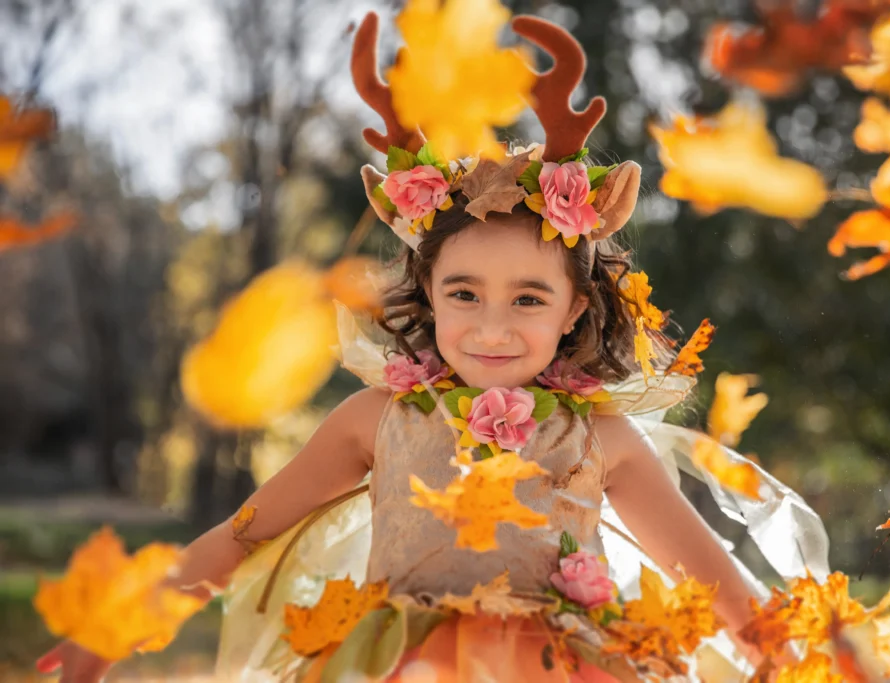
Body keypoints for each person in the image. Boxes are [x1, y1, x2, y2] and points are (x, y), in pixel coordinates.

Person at [36, 11, 829, 683]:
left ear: (573, 309)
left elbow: (711, 574)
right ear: (428, 295)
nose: (491, 325)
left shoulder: (599, 437)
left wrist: (793, 656)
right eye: (463, 294)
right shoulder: (373, 418)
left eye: (528, 297)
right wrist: (118, 623)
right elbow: (245, 533)